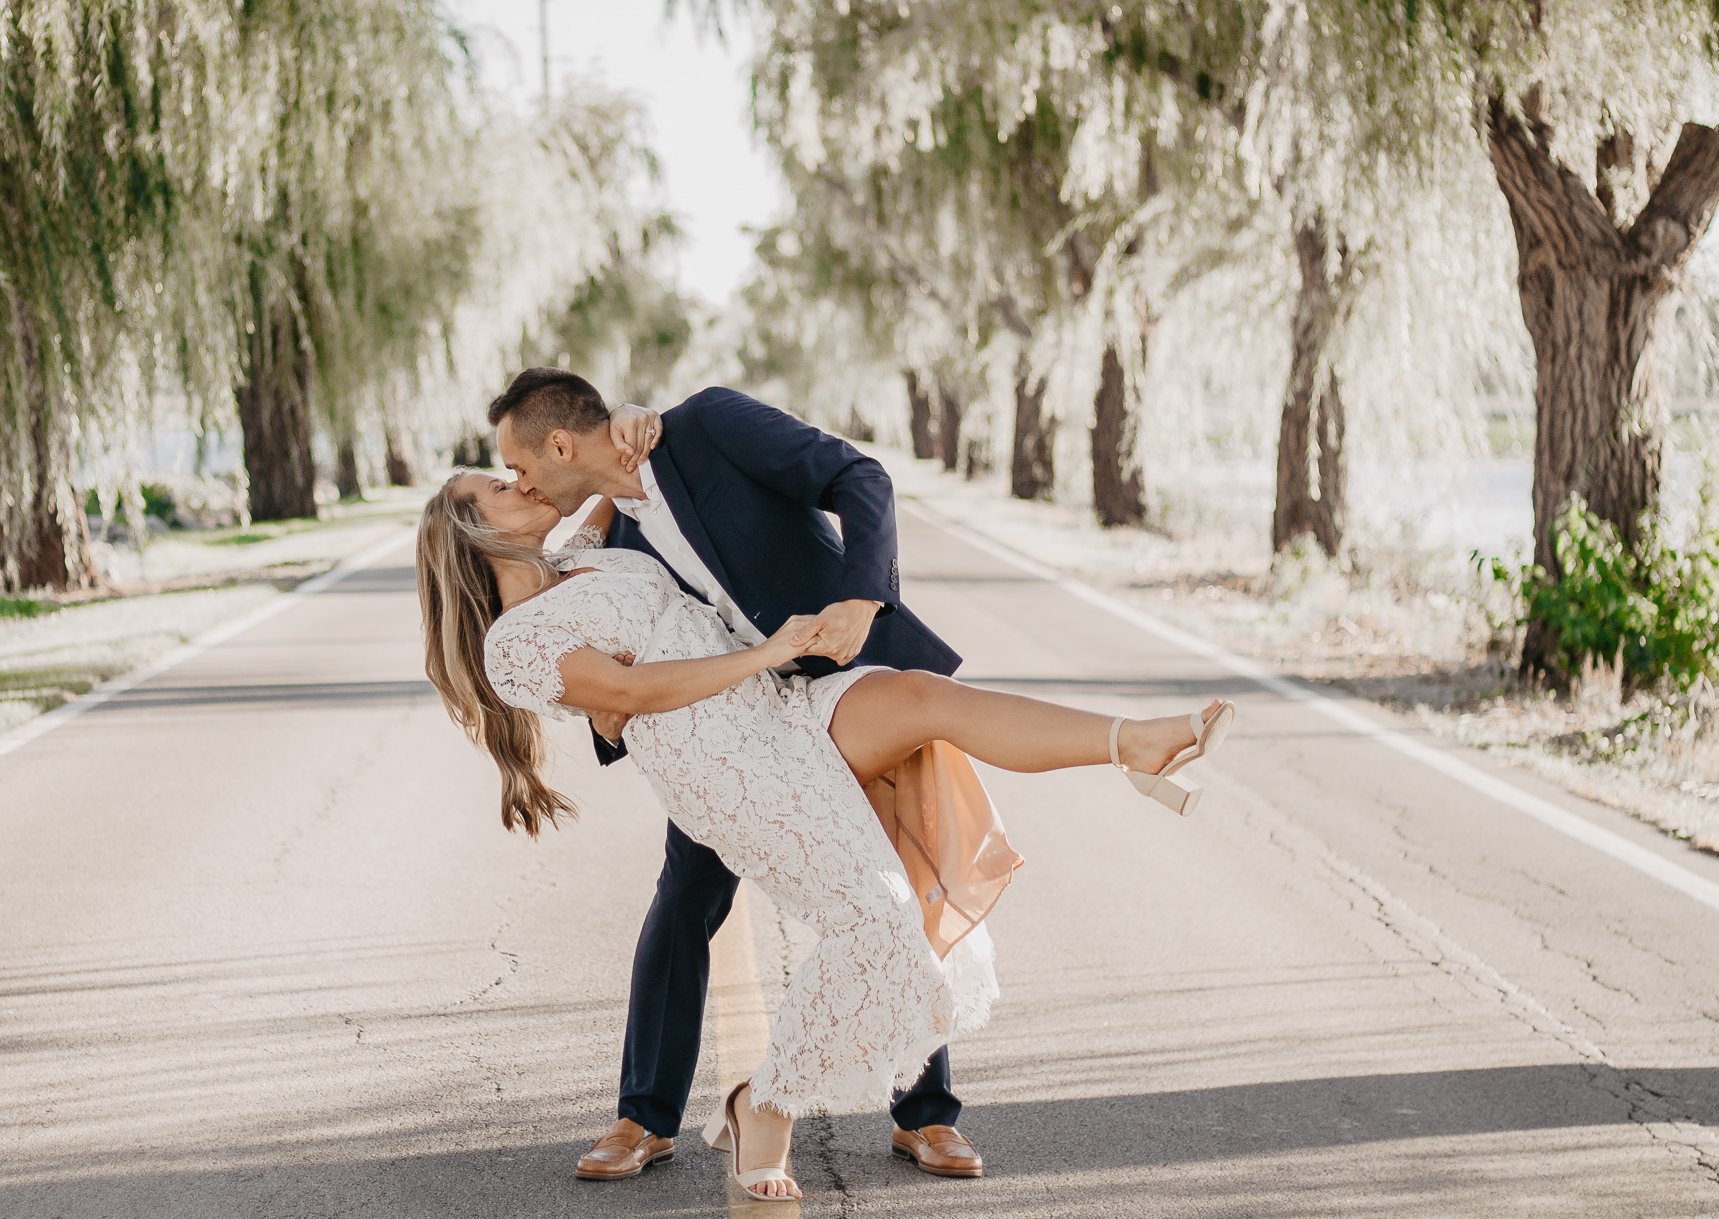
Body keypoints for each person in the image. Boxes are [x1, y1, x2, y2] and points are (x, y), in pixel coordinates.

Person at [417, 376, 1235, 1203]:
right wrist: (613, 707)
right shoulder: (603, 527)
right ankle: (652, 1114)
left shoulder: (688, 438)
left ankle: (925, 1102)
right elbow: (611, 678)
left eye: (513, 464)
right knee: (702, 897)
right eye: (500, 479)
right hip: (721, 740)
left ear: (559, 446)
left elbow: (860, 479)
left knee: (919, 751)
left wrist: (857, 596)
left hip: (809, 682)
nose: (517, 480)